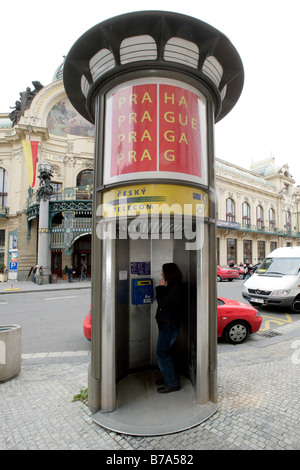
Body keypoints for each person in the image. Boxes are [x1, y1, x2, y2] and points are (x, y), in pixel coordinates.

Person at [155, 262, 183, 394]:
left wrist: (161, 287)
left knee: (162, 353)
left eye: (162, 271)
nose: (161, 273)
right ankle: (168, 377)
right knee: (165, 352)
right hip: (168, 323)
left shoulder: (174, 287)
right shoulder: (173, 285)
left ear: (168, 273)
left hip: (169, 324)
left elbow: (162, 302)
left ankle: (171, 383)